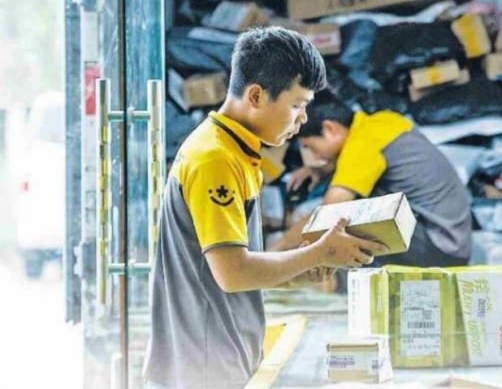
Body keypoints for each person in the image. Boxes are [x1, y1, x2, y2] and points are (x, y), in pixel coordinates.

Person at [143, 27, 385, 389]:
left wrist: (301, 268)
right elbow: (233, 273)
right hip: (201, 370)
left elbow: (230, 269)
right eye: (297, 105)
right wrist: (319, 252)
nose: (303, 119)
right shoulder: (215, 160)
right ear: (256, 96)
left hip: (215, 363)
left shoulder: (235, 151)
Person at [282, 91, 472, 270]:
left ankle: (333, 284)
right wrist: (318, 171)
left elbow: (328, 213)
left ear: (330, 129)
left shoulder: (362, 144)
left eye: (310, 146)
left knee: (344, 219)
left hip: (439, 249)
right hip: (454, 240)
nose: (314, 155)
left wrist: (276, 252)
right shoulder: (382, 122)